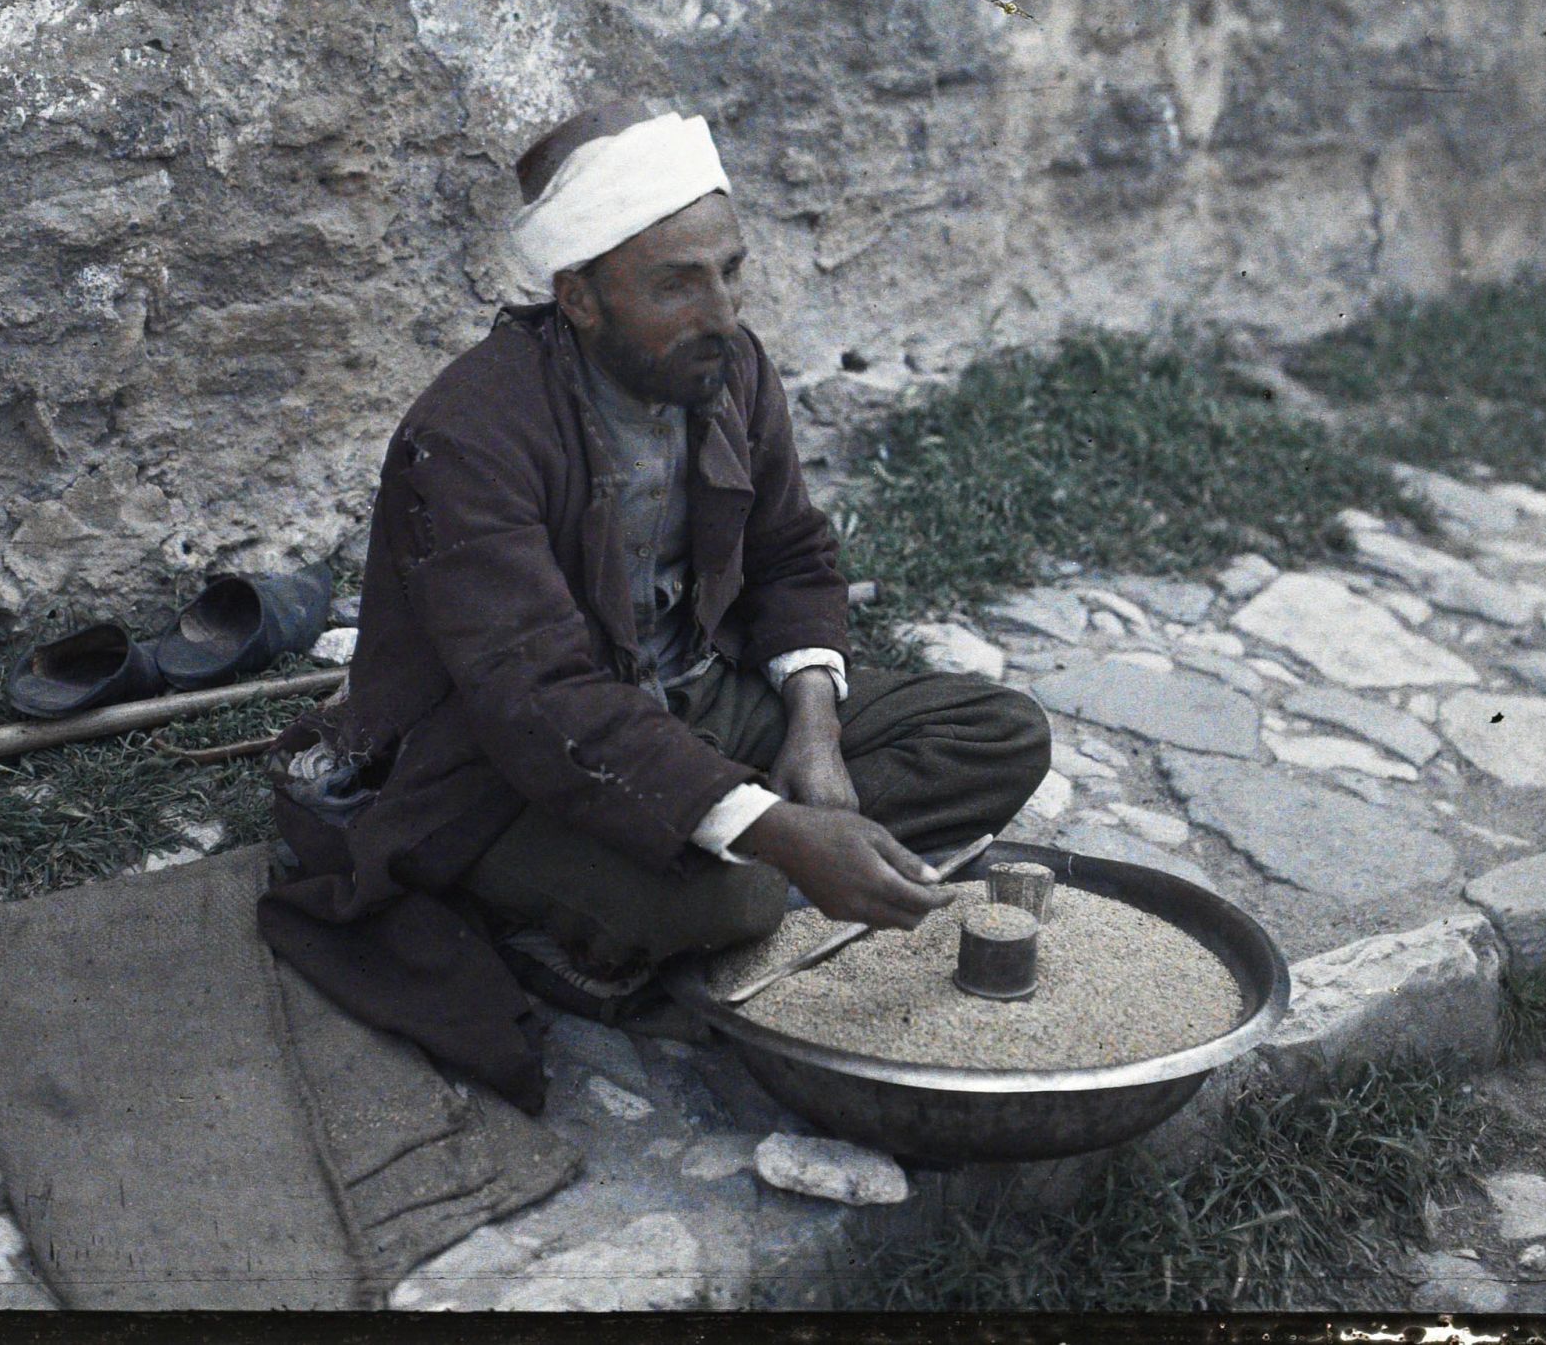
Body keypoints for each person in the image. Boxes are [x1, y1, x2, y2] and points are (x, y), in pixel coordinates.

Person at [259, 101, 1051, 1112]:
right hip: (500, 770)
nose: (719, 310)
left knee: (998, 732)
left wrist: (810, 732)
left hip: (695, 697)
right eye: (675, 282)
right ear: (579, 297)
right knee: (741, 891)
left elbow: (790, 550)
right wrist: (777, 834)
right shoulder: (467, 435)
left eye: (730, 269)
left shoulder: (728, 367)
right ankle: (608, 916)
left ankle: (745, 852)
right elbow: (539, 702)